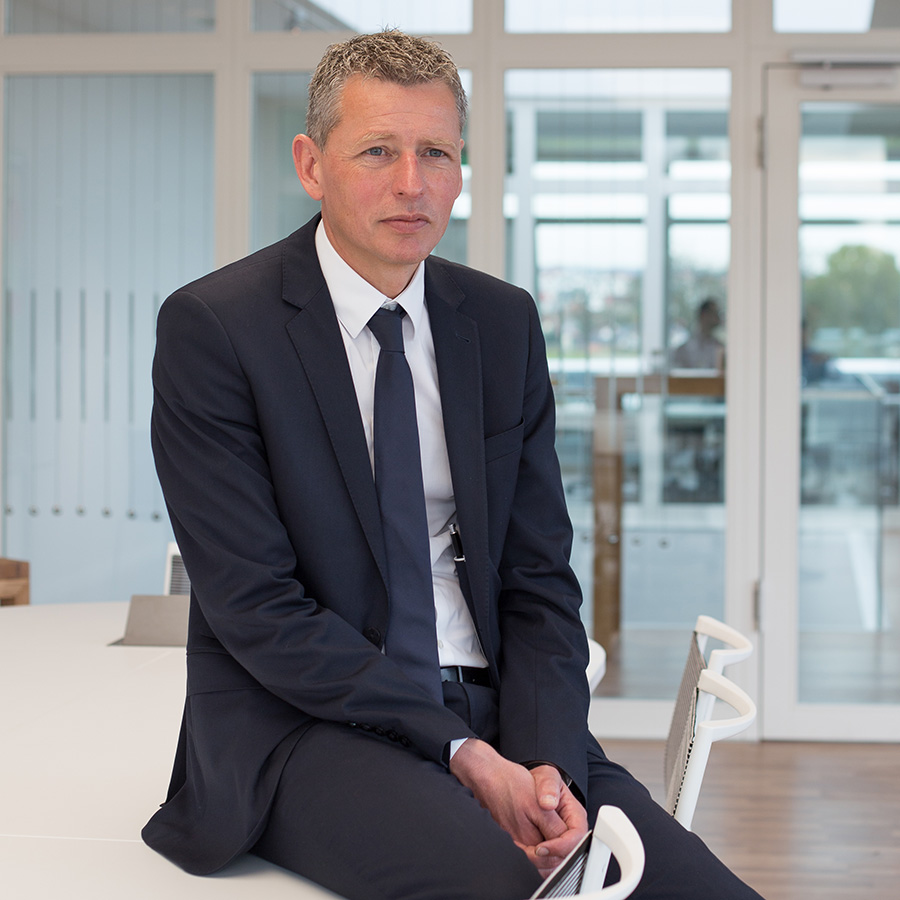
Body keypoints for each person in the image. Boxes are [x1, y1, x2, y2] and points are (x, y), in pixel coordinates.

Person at [143, 30, 764, 900]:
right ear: (312, 164)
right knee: (496, 885)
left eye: (436, 151)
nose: (412, 182)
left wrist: (544, 766)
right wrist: (462, 755)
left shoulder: (500, 324)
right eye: (378, 151)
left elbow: (539, 576)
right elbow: (257, 608)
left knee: (699, 893)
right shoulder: (217, 330)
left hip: (505, 713)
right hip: (309, 725)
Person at [671, 297, 725, 369]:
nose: (718, 317)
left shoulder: (719, 347)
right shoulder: (682, 350)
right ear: (704, 315)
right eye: (715, 313)